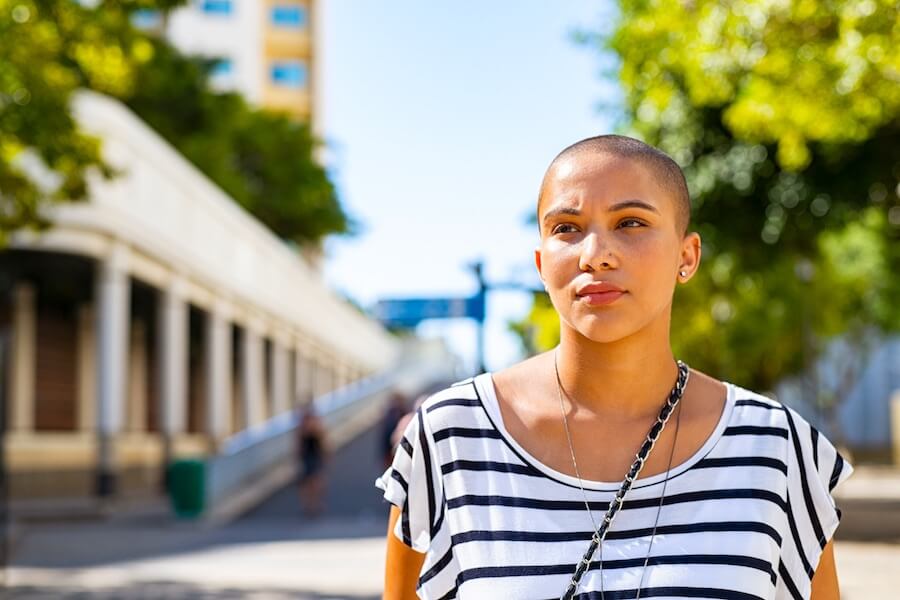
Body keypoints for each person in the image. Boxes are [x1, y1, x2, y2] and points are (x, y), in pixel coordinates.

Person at [376, 135, 853, 599]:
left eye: (630, 223)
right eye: (567, 228)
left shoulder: (776, 448)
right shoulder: (450, 437)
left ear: (687, 257)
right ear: (542, 264)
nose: (595, 255)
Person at [296, 404, 327, 517]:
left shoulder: (316, 425)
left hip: (314, 455)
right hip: (307, 456)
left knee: (316, 480)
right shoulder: (302, 426)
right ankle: (309, 504)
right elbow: (299, 442)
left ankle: (315, 503)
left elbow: (322, 440)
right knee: (307, 481)